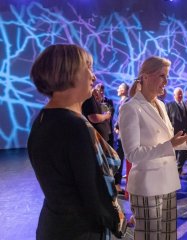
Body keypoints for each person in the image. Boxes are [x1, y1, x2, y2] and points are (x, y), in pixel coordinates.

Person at [27, 44, 124, 240]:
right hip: (80, 231)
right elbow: (95, 195)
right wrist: (118, 221)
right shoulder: (75, 127)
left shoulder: (43, 120)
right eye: (88, 68)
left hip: (55, 226)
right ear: (68, 72)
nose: (93, 76)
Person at [118, 56, 187, 240]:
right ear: (145, 77)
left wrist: (186, 139)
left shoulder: (161, 104)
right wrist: (169, 144)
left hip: (168, 182)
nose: (166, 81)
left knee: (168, 236)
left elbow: (165, 142)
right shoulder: (131, 108)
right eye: (162, 75)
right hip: (147, 185)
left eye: (167, 76)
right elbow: (132, 154)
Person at [166, 87, 187, 176]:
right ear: (174, 96)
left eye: (181, 94)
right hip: (174, 134)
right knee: (175, 154)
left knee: (183, 153)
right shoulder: (169, 105)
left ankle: (179, 168)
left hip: (185, 134)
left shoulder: (186, 105)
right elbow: (166, 120)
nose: (180, 96)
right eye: (178, 94)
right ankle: (174, 170)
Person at [113, 83, 129, 195]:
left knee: (119, 159)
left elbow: (123, 117)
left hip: (124, 136)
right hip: (121, 136)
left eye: (119, 88)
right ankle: (117, 184)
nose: (117, 89)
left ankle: (117, 184)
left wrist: (118, 126)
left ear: (123, 90)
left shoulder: (127, 102)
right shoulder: (123, 101)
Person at [95, 83, 115, 147]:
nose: (101, 92)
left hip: (107, 131)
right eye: (99, 90)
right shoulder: (93, 101)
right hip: (97, 130)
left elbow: (109, 115)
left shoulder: (108, 101)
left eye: (102, 91)